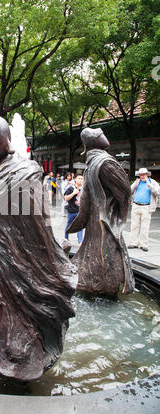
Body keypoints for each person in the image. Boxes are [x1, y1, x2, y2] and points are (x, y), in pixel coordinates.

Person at [0, 114, 77, 382]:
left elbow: (38, 223)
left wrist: (51, 256)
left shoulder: (24, 173)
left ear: (5, 139)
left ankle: (23, 371)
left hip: (16, 264)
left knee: (15, 323)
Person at [67, 127, 135, 296]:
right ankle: (101, 285)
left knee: (101, 253)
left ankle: (98, 284)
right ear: (94, 142)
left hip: (101, 220)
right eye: (99, 135)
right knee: (103, 254)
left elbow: (123, 193)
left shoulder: (97, 163)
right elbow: (125, 191)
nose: (103, 137)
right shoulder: (105, 163)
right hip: (101, 221)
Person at [128, 168, 160, 252]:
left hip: (146, 207)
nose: (142, 176)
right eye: (140, 174)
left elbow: (157, 193)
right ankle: (133, 242)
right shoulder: (137, 182)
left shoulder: (152, 182)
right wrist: (135, 185)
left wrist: (149, 185)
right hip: (135, 206)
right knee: (134, 225)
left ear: (147, 175)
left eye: (144, 174)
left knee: (144, 226)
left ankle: (143, 244)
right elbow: (129, 191)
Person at [64, 174, 83, 244]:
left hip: (80, 211)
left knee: (80, 226)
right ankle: (66, 237)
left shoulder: (83, 189)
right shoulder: (71, 188)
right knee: (69, 225)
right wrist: (73, 193)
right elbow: (66, 198)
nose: (81, 180)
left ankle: (80, 241)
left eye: (82, 179)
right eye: (79, 178)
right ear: (75, 179)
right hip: (72, 210)